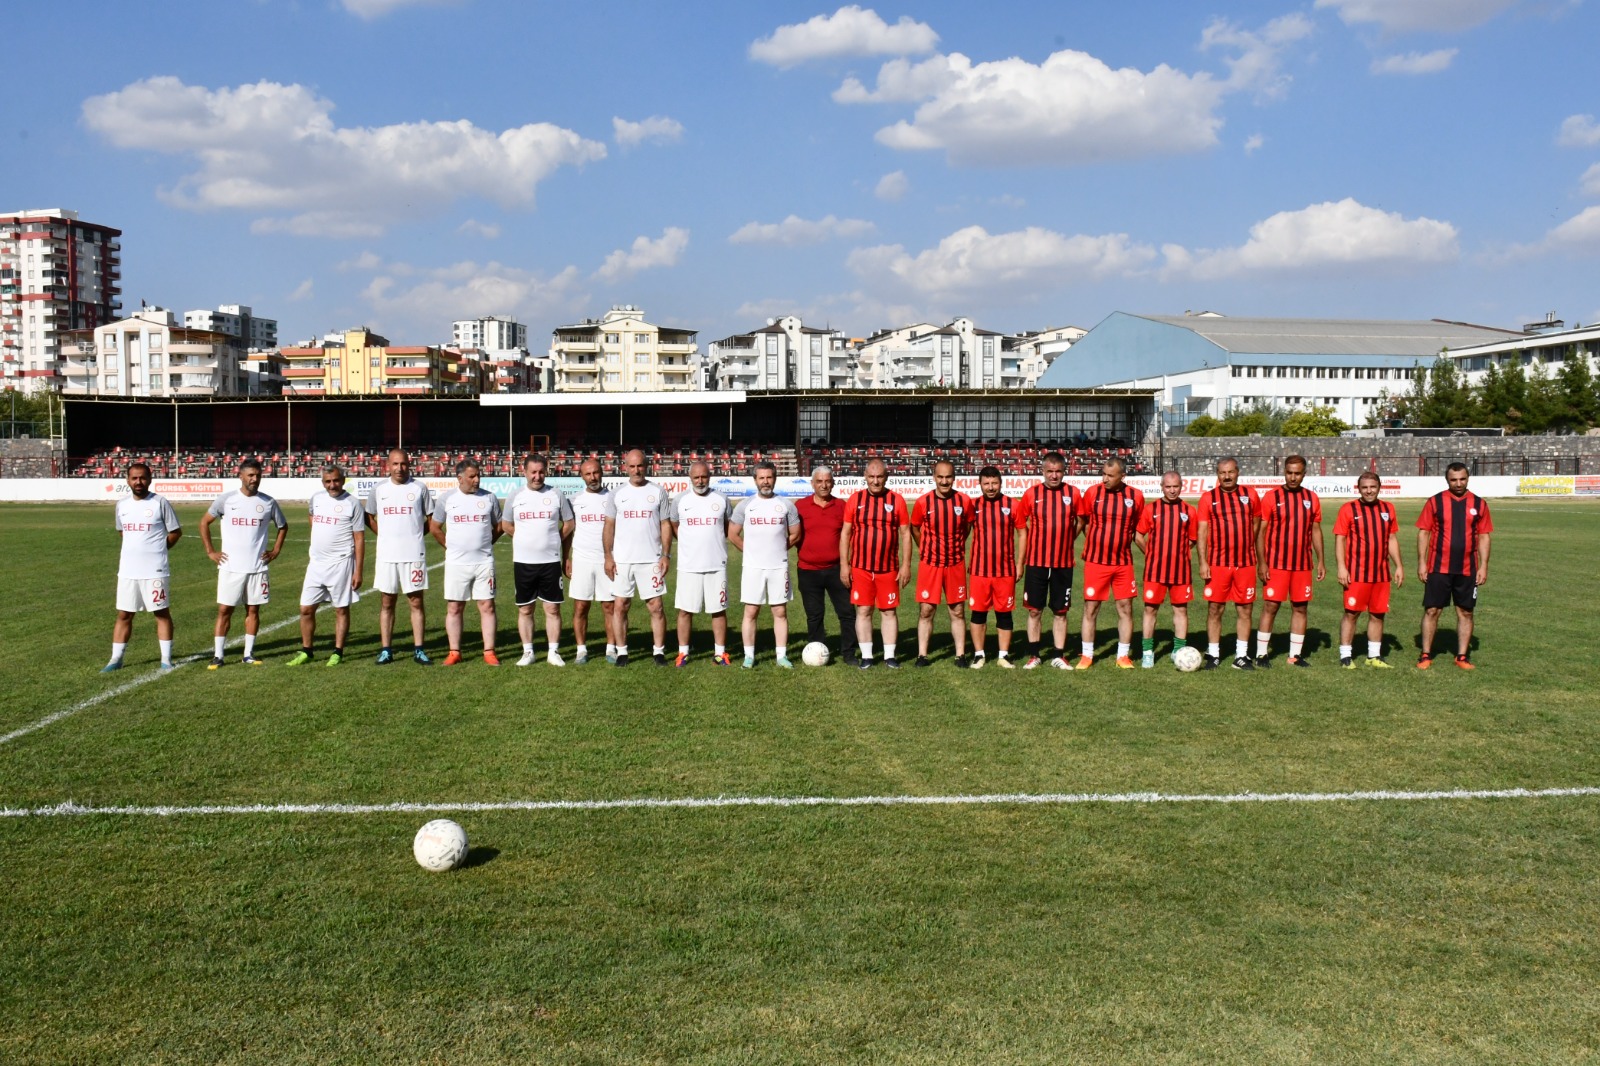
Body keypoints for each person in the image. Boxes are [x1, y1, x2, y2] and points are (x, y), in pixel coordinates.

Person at [200, 458, 288, 668]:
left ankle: (248, 653)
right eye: (250, 475)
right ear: (240, 476)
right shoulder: (226, 500)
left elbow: (283, 526)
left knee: (253, 610)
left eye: (257, 475)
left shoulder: (268, 502)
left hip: (257, 567)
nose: (254, 479)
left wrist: (275, 550)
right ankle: (218, 655)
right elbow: (204, 522)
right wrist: (210, 551)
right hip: (230, 566)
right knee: (224, 610)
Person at [1416, 462, 1493, 670]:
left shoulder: (1479, 503)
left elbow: (1484, 536)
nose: (1458, 483)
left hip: (1467, 568)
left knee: (1466, 612)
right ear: (1447, 480)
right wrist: (1422, 562)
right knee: (1432, 610)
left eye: (1462, 479)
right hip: (1438, 567)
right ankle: (1425, 654)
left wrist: (1484, 565)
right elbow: (1424, 532)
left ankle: (1461, 657)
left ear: (1468, 479)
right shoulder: (1435, 502)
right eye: (1453, 480)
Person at [104, 462, 181, 672]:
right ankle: (115, 659)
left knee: (161, 612)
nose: (139, 482)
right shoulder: (122, 505)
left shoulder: (159, 502)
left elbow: (175, 531)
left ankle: (166, 659)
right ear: (128, 480)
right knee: (124, 614)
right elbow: (123, 533)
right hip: (128, 571)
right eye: (134, 478)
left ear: (150, 479)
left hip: (155, 570)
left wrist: (159, 550)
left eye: (143, 478)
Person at [287, 464, 365, 667]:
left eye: (336, 480)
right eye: (328, 481)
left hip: (341, 563)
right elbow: (312, 516)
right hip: (316, 563)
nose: (333, 485)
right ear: (323, 482)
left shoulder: (353, 503)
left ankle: (337, 652)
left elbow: (359, 538)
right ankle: (307, 651)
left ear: (343, 480)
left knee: (340, 609)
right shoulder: (316, 498)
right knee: (305, 608)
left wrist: (358, 570)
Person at [1253, 455, 1325, 668]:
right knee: (1271, 606)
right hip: (1276, 564)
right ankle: (1261, 654)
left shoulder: (1311, 498)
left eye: (1297, 473)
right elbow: (1261, 532)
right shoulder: (1271, 497)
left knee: (1301, 608)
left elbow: (1315, 530)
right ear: (1284, 472)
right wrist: (1262, 562)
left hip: (1302, 564)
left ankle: (1294, 655)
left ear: (1304, 474)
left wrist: (1321, 560)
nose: (1293, 477)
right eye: (1289, 472)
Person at [501, 453, 573, 667]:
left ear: (546, 472)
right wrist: (525, 538)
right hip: (523, 562)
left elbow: (569, 523)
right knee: (525, 609)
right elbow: (506, 525)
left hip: (549, 561)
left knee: (552, 608)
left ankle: (553, 652)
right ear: (524, 472)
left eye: (541, 472)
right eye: (533, 472)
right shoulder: (515, 496)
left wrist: (553, 540)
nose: (537, 476)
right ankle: (528, 652)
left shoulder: (556, 494)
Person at [729, 461, 803, 668]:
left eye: (769, 477)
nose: (765, 481)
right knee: (751, 611)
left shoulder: (786, 505)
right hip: (753, 567)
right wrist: (750, 550)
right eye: (761, 478)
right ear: (755, 480)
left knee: (780, 611)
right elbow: (733, 534)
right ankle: (749, 656)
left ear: (775, 479)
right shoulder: (745, 505)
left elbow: (796, 534)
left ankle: (781, 656)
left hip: (778, 566)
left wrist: (779, 548)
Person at [430, 459, 503, 665]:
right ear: (460, 478)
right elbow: (435, 527)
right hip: (456, 564)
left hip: (483, 562)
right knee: (454, 607)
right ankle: (454, 651)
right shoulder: (447, 499)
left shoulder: (489, 498)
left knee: (487, 605)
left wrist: (488, 543)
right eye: (472, 477)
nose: (477, 480)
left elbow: (500, 526)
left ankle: (489, 651)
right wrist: (450, 547)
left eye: (478, 475)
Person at [1012, 451, 1081, 669]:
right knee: (1034, 610)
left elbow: (1080, 520)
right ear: (1043, 471)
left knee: (1061, 611)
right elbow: (1020, 521)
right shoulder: (1032, 494)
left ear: (1064, 472)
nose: (1054, 476)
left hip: (1063, 563)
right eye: (1049, 472)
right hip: (1036, 562)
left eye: (1058, 471)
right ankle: (1034, 655)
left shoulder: (1073, 493)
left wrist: (1069, 538)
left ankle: (1059, 655)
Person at [365, 448, 434, 665]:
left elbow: (432, 518)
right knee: (387, 602)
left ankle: (419, 649)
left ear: (409, 464)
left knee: (415, 601)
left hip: (413, 554)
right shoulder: (379, 489)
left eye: (403, 464)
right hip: (387, 555)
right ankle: (386, 649)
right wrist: (383, 534)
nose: (399, 468)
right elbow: (369, 516)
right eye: (395, 464)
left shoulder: (419, 488)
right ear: (388, 465)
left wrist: (416, 535)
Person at [840, 457, 911, 669]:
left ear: (886, 477)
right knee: (863, 611)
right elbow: (845, 533)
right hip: (861, 567)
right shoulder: (855, 500)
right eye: (871, 477)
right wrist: (845, 565)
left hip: (888, 568)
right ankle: (868, 656)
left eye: (879, 476)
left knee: (889, 611)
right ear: (865, 477)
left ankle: (890, 656)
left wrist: (906, 565)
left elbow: (905, 534)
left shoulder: (896, 500)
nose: (876, 481)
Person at [1075, 457, 1145, 669]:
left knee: (1125, 608)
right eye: (1103, 474)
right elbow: (1083, 522)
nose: (1104, 479)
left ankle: (1122, 656)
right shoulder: (1092, 493)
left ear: (1122, 476)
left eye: (1110, 475)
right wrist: (1095, 542)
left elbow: (1136, 530)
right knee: (1091, 608)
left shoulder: (1136, 497)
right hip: (1096, 562)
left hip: (1123, 563)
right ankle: (1087, 656)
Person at [603, 448, 671, 666]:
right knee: (620, 605)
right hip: (623, 560)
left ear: (647, 466)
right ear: (625, 468)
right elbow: (609, 526)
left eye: (640, 466)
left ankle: (658, 651)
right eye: (632, 466)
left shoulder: (658, 491)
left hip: (651, 559)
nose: (636, 470)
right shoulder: (617, 494)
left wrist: (666, 555)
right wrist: (608, 556)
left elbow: (665, 524)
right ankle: (622, 651)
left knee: (656, 606)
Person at [1196, 456, 1262, 670]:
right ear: (1217, 474)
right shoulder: (1208, 498)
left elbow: (1256, 524)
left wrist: (1245, 545)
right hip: (1217, 564)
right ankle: (1213, 654)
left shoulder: (1250, 495)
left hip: (1245, 564)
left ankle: (1241, 656)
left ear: (1238, 472)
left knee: (1245, 610)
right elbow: (1202, 532)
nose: (1226, 476)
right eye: (1222, 473)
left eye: (1230, 472)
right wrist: (1203, 562)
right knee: (1215, 608)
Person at [1333, 471, 1404, 668]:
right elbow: (1340, 538)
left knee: (1378, 614)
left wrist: (1398, 565)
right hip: (1356, 573)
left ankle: (1374, 656)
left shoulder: (1388, 508)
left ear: (1379, 487)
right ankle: (1345, 656)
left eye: (1372, 487)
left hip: (1381, 574)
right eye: (1364, 488)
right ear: (1359, 489)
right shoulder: (1348, 509)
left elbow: (1390, 538)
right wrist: (1341, 567)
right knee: (1351, 613)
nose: (1369, 491)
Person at [668, 460, 733, 666]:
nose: (700, 481)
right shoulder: (680, 500)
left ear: (709, 477)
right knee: (685, 610)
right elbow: (674, 525)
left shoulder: (721, 499)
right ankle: (683, 652)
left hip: (716, 564)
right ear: (690, 478)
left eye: (704, 476)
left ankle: (720, 652)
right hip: (689, 565)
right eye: (696, 477)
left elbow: (727, 526)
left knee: (718, 609)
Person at [910, 459, 972, 667]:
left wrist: (955, 545)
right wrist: (925, 548)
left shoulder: (964, 501)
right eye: (940, 477)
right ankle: (922, 655)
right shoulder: (922, 502)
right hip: (930, 565)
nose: (944, 481)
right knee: (926, 610)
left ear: (954, 478)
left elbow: (967, 527)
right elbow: (915, 528)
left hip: (955, 564)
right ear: (934, 477)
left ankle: (960, 655)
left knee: (957, 610)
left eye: (948, 477)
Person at [1135, 470, 1198, 669]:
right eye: (1168, 486)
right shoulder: (1151, 508)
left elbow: (1192, 539)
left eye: (1176, 486)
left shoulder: (1189, 511)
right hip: (1155, 571)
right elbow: (1138, 536)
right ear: (1162, 487)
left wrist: (1178, 553)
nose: (1172, 490)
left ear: (1181, 486)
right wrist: (1151, 554)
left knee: (1180, 610)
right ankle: (1147, 652)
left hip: (1181, 571)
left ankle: (1178, 650)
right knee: (1150, 609)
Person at [794, 465, 856, 665]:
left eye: (827, 481)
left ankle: (849, 653)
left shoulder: (841, 506)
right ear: (812, 483)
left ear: (833, 483)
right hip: (808, 570)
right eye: (819, 481)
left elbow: (851, 537)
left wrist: (848, 565)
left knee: (847, 613)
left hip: (837, 570)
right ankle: (816, 651)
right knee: (814, 615)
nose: (824, 485)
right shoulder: (800, 507)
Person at [965, 466, 1023, 668]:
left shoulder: (1012, 505)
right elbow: (963, 532)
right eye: (986, 484)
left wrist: (1020, 563)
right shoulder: (974, 505)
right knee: (978, 613)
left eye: (994, 483)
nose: (990, 487)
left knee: (1004, 613)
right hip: (979, 571)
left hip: (1005, 571)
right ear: (980, 484)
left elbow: (1023, 533)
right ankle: (979, 654)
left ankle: (1003, 655)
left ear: (1001, 483)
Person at [566, 458, 616, 664]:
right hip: (581, 559)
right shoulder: (574, 500)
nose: (593, 477)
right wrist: (566, 557)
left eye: (596, 473)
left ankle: (611, 648)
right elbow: (568, 531)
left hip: (607, 559)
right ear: (581, 476)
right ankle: (581, 650)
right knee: (581, 606)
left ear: (602, 473)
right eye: (588, 474)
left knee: (609, 606)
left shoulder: (613, 498)